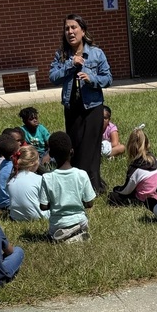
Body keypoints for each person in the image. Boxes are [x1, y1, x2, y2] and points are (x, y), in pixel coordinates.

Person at [49, 14, 112, 193]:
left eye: (74, 27)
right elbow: (53, 77)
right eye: (67, 28)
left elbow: (108, 78)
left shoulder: (96, 53)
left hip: (93, 107)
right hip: (72, 107)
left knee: (90, 148)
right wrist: (70, 63)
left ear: (83, 31)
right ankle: (78, 184)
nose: (70, 31)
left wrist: (91, 79)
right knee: (75, 146)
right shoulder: (61, 55)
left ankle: (92, 186)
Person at [39, 131, 96, 243]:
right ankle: (75, 233)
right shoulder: (82, 174)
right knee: (81, 223)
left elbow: (43, 206)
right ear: (72, 152)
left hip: (56, 224)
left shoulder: (47, 177)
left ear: (50, 154)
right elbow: (89, 203)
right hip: (80, 220)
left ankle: (65, 236)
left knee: (54, 234)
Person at [107, 125, 157, 207]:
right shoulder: (155, 160)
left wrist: (117, 189)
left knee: (113, 196)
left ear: (130, 147)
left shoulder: (135, 168)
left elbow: (126, 191)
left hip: (144, 200)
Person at [7, 144, 46, 221]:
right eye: (38, 160)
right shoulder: (39, 179)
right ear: (32, 163)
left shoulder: (11, 180)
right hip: (38, 217)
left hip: (15, 217)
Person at [0, 130, 21, 209]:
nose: (20, 144)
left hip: (0, 201)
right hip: (8, 203)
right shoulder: (13, 167)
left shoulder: (3, 163)